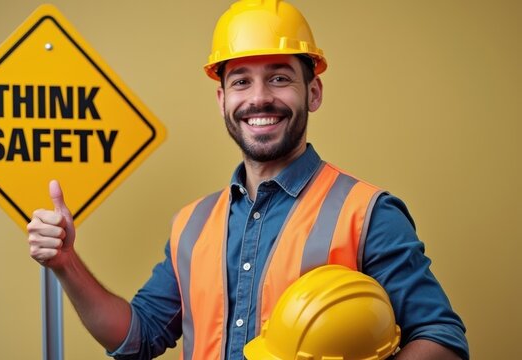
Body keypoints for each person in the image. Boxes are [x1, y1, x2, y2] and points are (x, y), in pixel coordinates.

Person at [26, 1, 469, 359]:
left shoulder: (368, 213)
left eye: (279, 78)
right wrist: (67, 263)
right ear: (222, 99)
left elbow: (441, 338)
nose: (259, 98)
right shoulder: (192, 225)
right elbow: (136, 338)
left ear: (312, 93)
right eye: (241, 81)